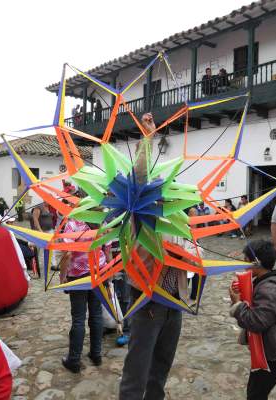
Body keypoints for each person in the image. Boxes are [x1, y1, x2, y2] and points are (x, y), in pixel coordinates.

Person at [119, 113, 188, 400]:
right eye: (158, 191)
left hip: (174, 301)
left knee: (160, 369)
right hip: (148, 300)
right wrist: (147, 140)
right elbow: (139, 178)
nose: (163, 194)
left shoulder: (178, 215)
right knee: (137, 372)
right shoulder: (143, 215)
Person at [229, 240, 276, 400]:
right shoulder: (266, 283)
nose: (244, 263)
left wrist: (237, 304)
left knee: (255, 394)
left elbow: (256, 322)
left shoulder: (269, 288)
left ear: (256, 262)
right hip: (270, 349)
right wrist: (239, 298)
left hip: (275, 353)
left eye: (246, 259)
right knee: (256, 392)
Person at [60, 218, 105, 373]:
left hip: (78, 277)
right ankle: (96, 354)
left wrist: (62, 277)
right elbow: (107, 251)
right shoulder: (102, 223)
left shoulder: (73, 225)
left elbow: (67, 254)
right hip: (98, 274)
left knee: (78, 319)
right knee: (96, 315)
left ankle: (74, 360)